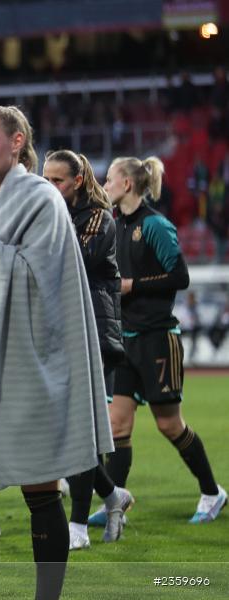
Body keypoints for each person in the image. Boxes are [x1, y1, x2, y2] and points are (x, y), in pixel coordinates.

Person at [0, 106, 113, 600]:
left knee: (39, 486)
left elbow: (41, 281)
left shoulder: (42, 198)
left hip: (34, 356)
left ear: (16, 141)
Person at [102, 155, 226, 524]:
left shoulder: (154, 225)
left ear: (127, 184)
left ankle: (211, 492)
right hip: (124, 340)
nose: (104, 185)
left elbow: (180, 276)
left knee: (169, 424)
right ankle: (115, 505)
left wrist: (131, 286)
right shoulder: (115, 226)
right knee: (117, 426)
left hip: (158, 338)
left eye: (109, 179)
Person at [43, 149, 135, 549]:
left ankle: (78, 526)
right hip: (62, 333)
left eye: (57, 181)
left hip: (95, 333)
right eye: (44, 180)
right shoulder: (52, 216)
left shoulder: (99, 217)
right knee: (64, 432)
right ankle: (113, 495)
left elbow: (74, 261)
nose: (49, 187)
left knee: (82, 431)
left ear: (77, 181)